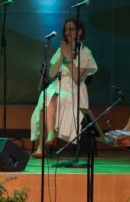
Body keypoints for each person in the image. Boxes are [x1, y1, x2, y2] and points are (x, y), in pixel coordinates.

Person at [30, 17, 97, 157]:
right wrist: (61, 56)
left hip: (74, 89)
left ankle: (45, 142)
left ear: (79, 32)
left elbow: (77, 77)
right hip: (58, 85)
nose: (68, 32)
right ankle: (47, 140)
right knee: (47, 97)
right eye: (66, 29)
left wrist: (69, 58)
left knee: (49, 96)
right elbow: (52, 73)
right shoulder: (62, 49)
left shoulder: (86, 52)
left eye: (71, 29)